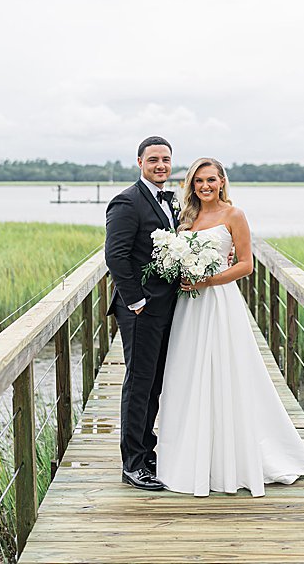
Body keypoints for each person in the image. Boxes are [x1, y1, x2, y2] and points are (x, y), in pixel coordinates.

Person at [155, 157, 304, 496]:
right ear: (192, 185)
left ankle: (231, 458)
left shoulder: (234, 216)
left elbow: (247, 265)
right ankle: (191, 456)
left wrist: (207, 280)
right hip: (188, 309)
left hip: (219, 302)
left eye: (210, 180)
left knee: (226, 372)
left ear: (222, 181)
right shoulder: (186, 218)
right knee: (187, 374)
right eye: (198, 181)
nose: (204, 186)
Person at [104, 135, 179, 491]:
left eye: (165, 159)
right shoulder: (127, 201)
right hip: (141, 311)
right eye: (153, 160)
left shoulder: (171, 202)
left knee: (155, 385)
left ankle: (146, 451)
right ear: (139, 162)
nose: (160, 165)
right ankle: (132, 464)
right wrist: (136, 302)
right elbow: (116, 256)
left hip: (168, 308)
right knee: (138, 384)